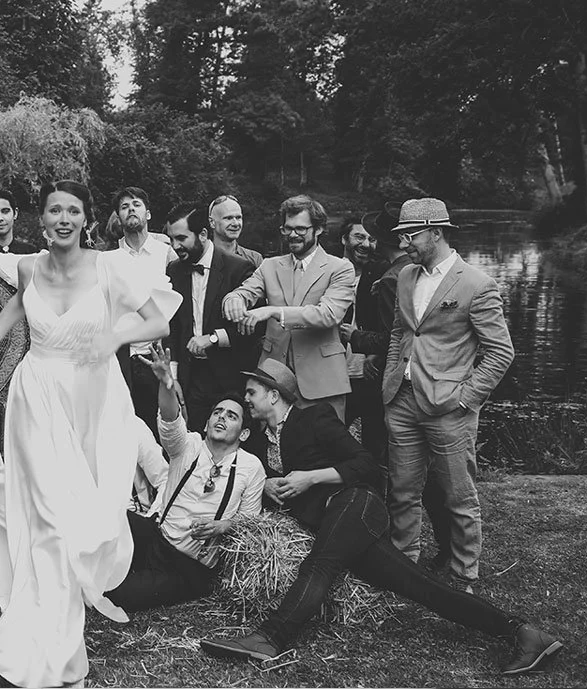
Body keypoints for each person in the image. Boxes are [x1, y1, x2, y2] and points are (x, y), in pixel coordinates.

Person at [198, 360, 562, 677]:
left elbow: (367, 466)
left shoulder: (314, 418)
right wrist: (268, 486)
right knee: (420, 587)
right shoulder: (260, 441)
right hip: (339, 526)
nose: (246, 399)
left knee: (319, 565)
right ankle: (525, 634)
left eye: (251, 392)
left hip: (354, 503)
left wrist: (311, 477)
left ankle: (269, 638)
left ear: (274, 395)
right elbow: (266, 482)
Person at [0, 179, 182, 687]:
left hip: (92, 400)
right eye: (55, 210)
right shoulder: (27, 266)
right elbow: (19, 303)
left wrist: (114, 336)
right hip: (36, 395)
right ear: (40, 218)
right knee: (47, 513)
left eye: (73, 211)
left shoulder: (109, 268)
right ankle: (56, 639)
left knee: (84, 513)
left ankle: (66, 592)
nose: (64, 219)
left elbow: (158, 323)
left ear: (87, 219)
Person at [382, 198, 515, 592]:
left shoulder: (476, 283)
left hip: (449, 408)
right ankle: (403, 567)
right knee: (402, 492)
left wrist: (466, 398)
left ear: (436, 232)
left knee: (459, 498)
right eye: (401, 235)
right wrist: (390, 378)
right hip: (402, 401)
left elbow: (501, 352)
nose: (403, 243)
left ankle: (463, 575)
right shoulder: (406, 276)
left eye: (411, 235)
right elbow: (400, 333)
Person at [105, 341, 265, 612]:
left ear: (244, 433)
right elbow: (171, 421)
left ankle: (124, 575)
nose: (221, 418)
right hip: (157, 538)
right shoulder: (188, 445)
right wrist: (166, 383)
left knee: (121, 595)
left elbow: (250, 523)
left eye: (231, 416)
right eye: (217, 413)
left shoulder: (251, 468)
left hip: (190, 566)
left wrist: (223, 526)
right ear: (206, 423)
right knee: (107, 518)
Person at [350, 203, 454, 572]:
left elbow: (393, 338)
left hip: (389, 385)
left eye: (373, 237)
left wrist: (355, 337)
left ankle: (413, 543)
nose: (369, 243)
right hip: (405, 384)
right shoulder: (401, 273)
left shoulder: (393, 279)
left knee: (398, 467)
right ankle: (425, 542)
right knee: (406, 468)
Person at [222, 195, 355, 421]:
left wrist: (273, 311)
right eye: (287, 228)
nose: (292, 235)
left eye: (300, 229)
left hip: (321, 381)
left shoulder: (340, 268)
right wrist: (233, 300)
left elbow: (328, 314)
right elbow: (245, 291)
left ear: (319, 229)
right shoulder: (269, 265)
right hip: (273, 381)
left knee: (324, 442)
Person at [164, 203, 256, 432]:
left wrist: (213, 338)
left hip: (230, 377)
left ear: (203, 234)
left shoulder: (240, 269)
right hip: (191, 377)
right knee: (193, 440)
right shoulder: (174, 270)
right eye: (171, 239)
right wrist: (173, 378)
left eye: (181, 238)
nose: (175, 246)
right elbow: (172, 327)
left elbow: (255, 328)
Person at [114, 186, 177, 428]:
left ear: (148, 213)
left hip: (158, 356)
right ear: (119, 217)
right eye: (124, 206)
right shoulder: (110, 259)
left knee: (162, 426)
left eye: (136, 204)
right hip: (122, 358)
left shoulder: (167, 254)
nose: (131, 209)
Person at [338, 215, 385, 439]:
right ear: (344, 239)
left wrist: (376, 353)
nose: (365, 244)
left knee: (375, 436)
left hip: (370, 371)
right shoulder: (327, 271)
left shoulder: (384, 273)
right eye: (359, 237)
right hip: (334, 371)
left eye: (371, 239)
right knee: (332, 435)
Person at [208, 194, 263, 268]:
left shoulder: (254, 259)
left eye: (238, 217)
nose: (236, 224)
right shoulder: (203, 258)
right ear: (212, 222)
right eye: (228, 218)